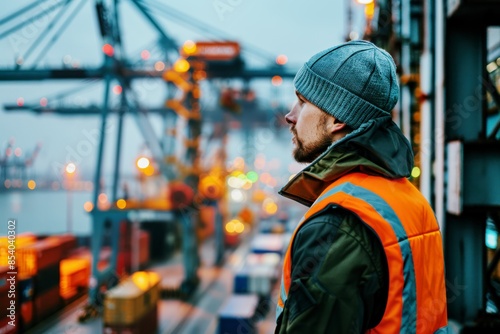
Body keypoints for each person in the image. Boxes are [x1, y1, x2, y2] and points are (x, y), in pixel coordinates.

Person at [275, 40, 448, 333]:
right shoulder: (407, 199)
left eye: (303, 102)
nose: (290, 116)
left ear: (338, 119)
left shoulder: (338, 224)